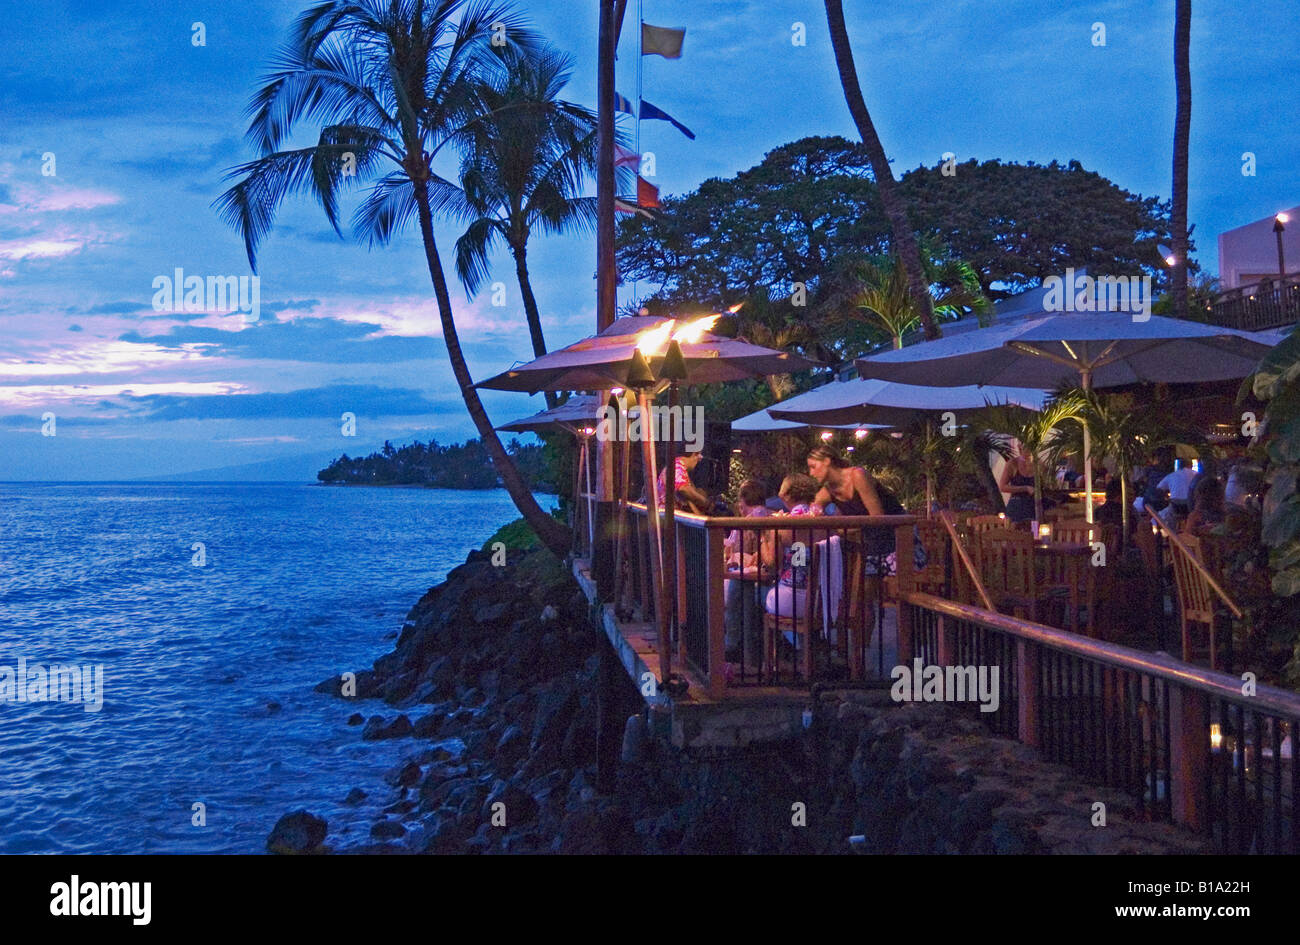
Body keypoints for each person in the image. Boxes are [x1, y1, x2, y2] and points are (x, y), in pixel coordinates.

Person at [759, 474, 821, 619]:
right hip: (821, 601)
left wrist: (762, 537)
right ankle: (802, 640)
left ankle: (749, 641)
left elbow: (772, 563)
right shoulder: (822, 521)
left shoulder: (783, 526)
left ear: (787, 495)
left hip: (791, 600)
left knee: (752, 593)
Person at [723, 480, 772, 662]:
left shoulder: (747, 522)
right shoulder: (774, 515)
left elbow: (734, 552)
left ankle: (733, 646)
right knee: (739, 584)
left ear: (743, 499)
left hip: (765, 580)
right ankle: (745, 650)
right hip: (772, 579)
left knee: (734, 585)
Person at [998, 444, 1036, 524]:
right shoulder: (1012, 464)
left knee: (1035, 532)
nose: (1028, 451)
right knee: (1014, 532)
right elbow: (1002, 487)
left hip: (1034, 506)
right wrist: (1025, 488)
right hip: (1016, 504)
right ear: (1020, 448)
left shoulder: (1039, 464)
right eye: (1025, 448)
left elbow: (1049, 483)